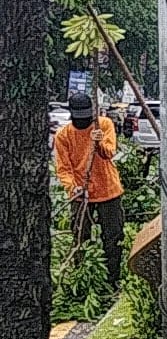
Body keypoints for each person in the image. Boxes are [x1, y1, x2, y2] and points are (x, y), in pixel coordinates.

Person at [54, 93, 126, 286]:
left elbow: (109, 152)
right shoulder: (64, 136)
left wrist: (99, 142)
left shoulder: (103, 125)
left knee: (113, 237)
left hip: (108, 190)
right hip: (81, 195)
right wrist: (73, 187)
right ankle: (82, 276)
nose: (83, 121)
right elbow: (63, 168)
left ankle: (112, 279)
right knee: (80, 237)